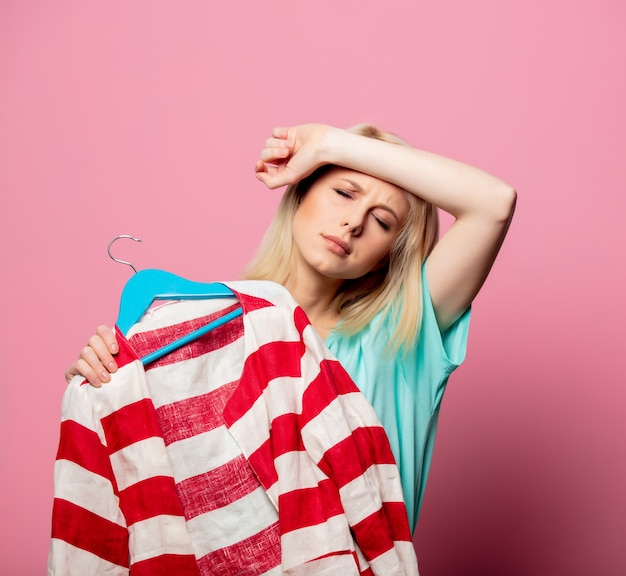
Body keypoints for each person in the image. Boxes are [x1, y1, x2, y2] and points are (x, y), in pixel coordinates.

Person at [64, 122, 516, 534]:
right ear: (300, 194)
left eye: (382, 222)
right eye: (344, 193)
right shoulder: (206, 336)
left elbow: (493, 203)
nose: (354, 222)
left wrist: (328, 144)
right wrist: (103, 385)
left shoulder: (399, 341)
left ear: (388, 255)